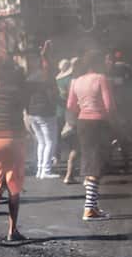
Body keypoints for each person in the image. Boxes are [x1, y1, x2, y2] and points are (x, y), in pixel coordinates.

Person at [0, 54, 29, 242]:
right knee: (14, 185)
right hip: (14, 138)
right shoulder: (18, 89)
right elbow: (34, 78)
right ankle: (12, 230)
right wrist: (44, 58)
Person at [67, 50, 115, 221]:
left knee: (89, 160)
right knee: (96, 164)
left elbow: (71, 105)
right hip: (99, 123)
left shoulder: (77, 81)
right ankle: (89, 209)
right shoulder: (101, 78)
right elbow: (109, 105)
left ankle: (93, 206)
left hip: (82, 122)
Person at [25, 58, 60, 179]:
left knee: (41, 142)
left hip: (32, 112)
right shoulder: (48, 78)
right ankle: (46, 170)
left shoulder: (30, 78)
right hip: (46, 112)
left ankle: (40, 170)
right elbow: (53, 95)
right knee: (50, 142)